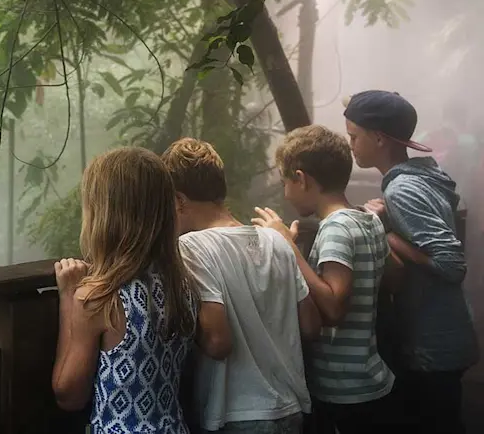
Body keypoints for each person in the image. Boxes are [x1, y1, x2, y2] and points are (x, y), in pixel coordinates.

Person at [162, 138, 320, 434]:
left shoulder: (191, 247)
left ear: (180, 200)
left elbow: (218, 343)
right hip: (291, 409)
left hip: (237, 415)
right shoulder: (276, 240)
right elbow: (311, 326)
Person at [344, 90, 479, 434]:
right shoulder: (418, 178)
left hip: (431, 345)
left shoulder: (403, 190)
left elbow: (451, 263)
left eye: (354, 137)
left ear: (379, 138)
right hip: (445, 336)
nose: (351, 145)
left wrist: (385, 231)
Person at [251, 124, 397, 433]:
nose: (285, 193)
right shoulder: (367, 220)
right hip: (369, 376)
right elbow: (395, 279)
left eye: (285, 182)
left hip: (342, 388)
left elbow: (333, 307)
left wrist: (288, 247)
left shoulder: (335, 228)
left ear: (301, 179)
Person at [52, 147, 197, 433]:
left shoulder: (99, 298)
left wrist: (68, 298)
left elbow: (68, 394)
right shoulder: (183, 287)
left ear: (104, 216)